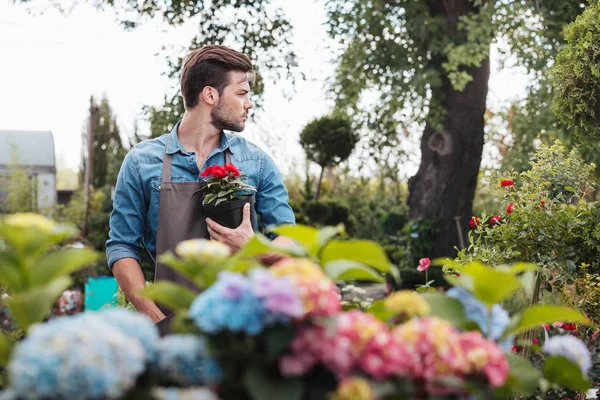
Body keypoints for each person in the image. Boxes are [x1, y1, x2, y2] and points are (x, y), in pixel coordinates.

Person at [106, 45, 296, 327]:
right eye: (241, 93)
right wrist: (156, 321)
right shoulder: (141, 162)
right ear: (210, 95)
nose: (249, 103)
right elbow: (122, 246)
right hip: (171, 322)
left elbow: (291, 241)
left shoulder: (256, 161)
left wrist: (253, 249)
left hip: (242, 327)